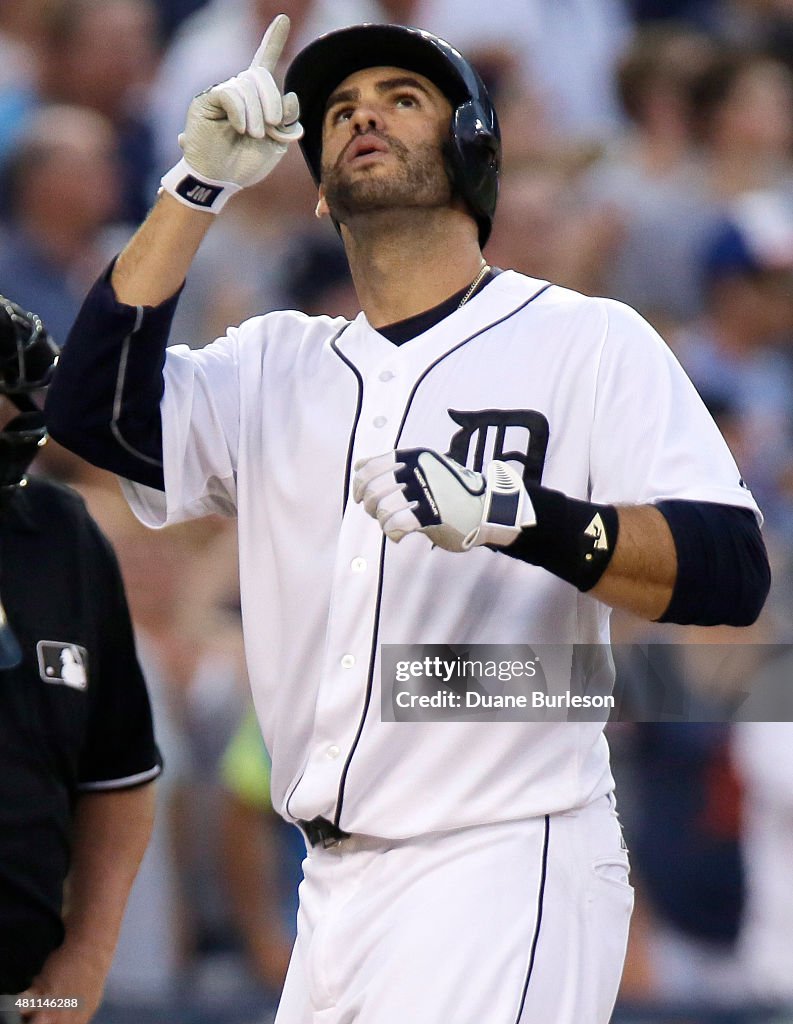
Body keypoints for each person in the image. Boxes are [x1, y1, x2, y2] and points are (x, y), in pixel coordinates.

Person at [45, 15, 771, 1023]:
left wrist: (524, 514)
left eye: (402, 98)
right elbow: (88, 412)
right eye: (338, 108)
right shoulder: (273, 361)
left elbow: (731, 570)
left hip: (503, 855)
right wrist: (194, 188)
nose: (361, 117)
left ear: (473, 146)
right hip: (331, 890)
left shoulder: (584, 339)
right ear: (313, 180)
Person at [0, 295, 161, 1023]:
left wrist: (85, 960)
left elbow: (117, 773)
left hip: (26, 992)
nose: (18, 407)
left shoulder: (60, 532)